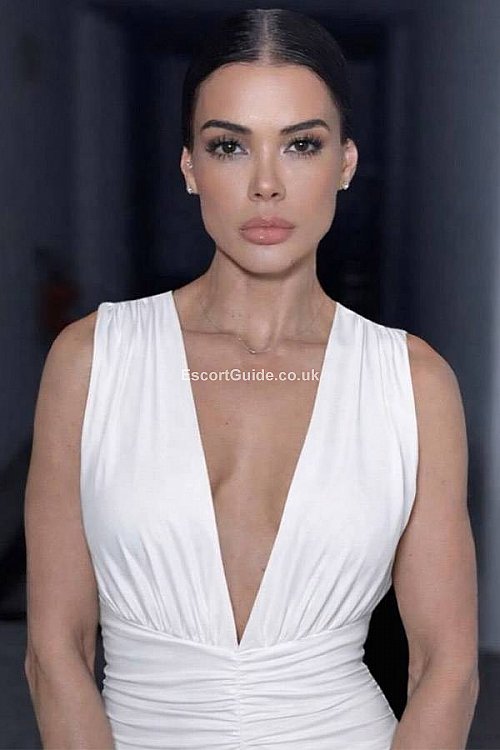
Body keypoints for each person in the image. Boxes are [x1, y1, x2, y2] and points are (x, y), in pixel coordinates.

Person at [24, 7, 479, 749]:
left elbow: (446, 667)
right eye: (230, 146)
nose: (267, 184)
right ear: (190, 168)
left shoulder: (413, 383)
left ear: (345, 163)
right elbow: (55, 651)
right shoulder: (91, 360)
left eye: (301, 144)